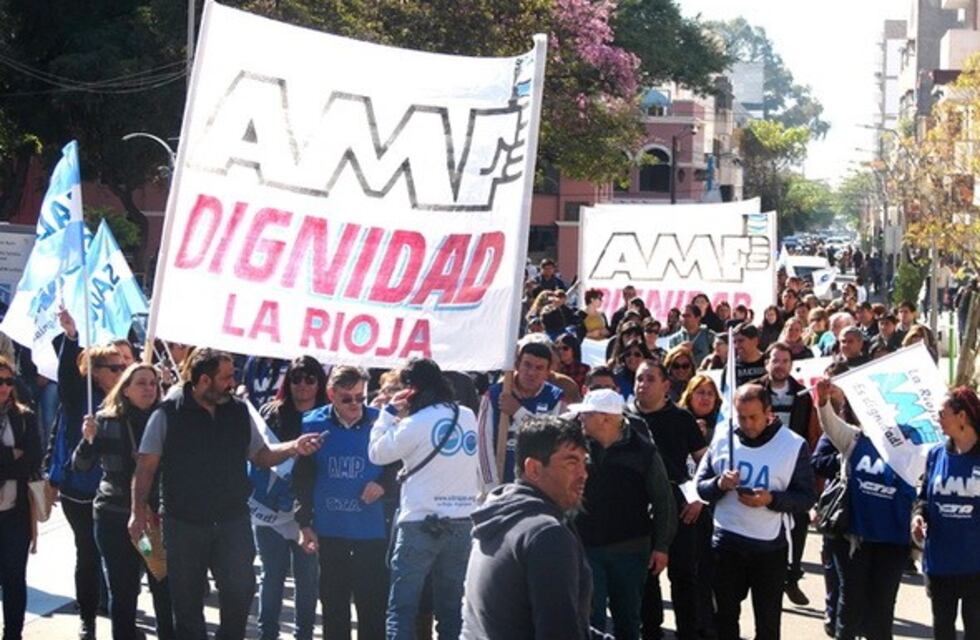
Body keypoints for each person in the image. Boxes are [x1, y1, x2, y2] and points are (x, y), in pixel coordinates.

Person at [130, 348, 322, 640]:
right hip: (184, 523)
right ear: (204, 380)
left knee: (241, 590)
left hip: (232, 521)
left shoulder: (238, 411)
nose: (233, 382)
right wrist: (137, 511)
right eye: (227, 377)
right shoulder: (167, 415)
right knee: (186, 601)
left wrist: (294, 446)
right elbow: (145, 467)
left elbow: (261, 455)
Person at [369, 358, 482, 640]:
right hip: (460, 521)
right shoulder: (466, 415)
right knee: (450, 610)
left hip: (419, 522)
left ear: (411, 389)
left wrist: (387, 413)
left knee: (401, 609)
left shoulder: (414, 424)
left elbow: (376, 453)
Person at [460, 416, 600, 640]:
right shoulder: (545, 534)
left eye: (585, 463)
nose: (583, 474)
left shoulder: (499, 514)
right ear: (533, 468)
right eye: (571, 463)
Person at [695, 384, 816, 640]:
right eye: (741, 417)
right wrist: (719, 484)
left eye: (753, 417)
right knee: (724, 619)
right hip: (726, 544)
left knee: (768, 623)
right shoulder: (722, 438)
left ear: (769, 413)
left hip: (768, 549)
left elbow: (806, 498)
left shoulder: (793, 445)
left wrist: (772, 499)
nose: (747, 424)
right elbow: (701, 488)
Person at [72, 363, 174, 640]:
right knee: (124, 590)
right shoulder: (107, 421)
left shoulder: (167, 419)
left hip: (156, 518)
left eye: (153, 383)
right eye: (141, 383)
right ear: (125, 389)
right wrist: (87, 440)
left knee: (164, 586)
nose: (148, 389)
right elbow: (80, 466)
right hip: (114, 517)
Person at [295, 365, 394, 640]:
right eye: (347, 398)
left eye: (360, 398)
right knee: (334, 608)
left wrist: (383, 484)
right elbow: (302, 478)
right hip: (331, 529)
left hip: (371, 530)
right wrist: (303, 523)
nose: (355, 405)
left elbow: (399, 466)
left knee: (372, 608)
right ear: (331, 394)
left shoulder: (380, 421)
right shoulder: (312, 423)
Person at [813, 377, 914, 640]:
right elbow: (831, 425)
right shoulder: (856, 439)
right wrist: (823, 402)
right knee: (851, 602)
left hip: (893, 541)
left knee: (882, 609)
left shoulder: (914, 448)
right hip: (855, 538)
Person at [571, 389, 676, 640]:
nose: (580, 420)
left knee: (628, 620)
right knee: (589, 619)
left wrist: (662, 546)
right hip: (586, 548)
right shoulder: (575, 447)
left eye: (586, 414)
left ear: (605, 419)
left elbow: (664, 501)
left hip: (631, 551)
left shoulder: (645, 451)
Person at [52, 310, 121, 640]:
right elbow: (66, 376)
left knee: (126, 560)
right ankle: (88, 620)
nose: (122, 372)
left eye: (123, 367)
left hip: (120, 492)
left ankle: (123, 621)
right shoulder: (78, 396)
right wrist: (71, 337)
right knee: (89, 554)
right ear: (95, 373)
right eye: (114, 368)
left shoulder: (127, 398)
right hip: (80, 492)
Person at [249, 356, 325, 640]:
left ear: (320, 382)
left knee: (307, 580)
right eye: (296, 378)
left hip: (310, 511)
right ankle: (267, 634)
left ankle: (303, 635)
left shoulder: (327, 415)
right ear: (287, 382)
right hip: (270, 507)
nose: (302, 385)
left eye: (310, 379)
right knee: (271, 576)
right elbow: (257, 454)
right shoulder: (271, 412)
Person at [629, 362, 706, 640]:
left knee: (683, 574)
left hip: (679, 504)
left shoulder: (682, 419)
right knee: (646, 577)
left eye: (650, 379)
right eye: (639, 378)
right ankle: (651, 631)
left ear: (666, 385)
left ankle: (688, 632)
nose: (643, 384)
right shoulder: (625, 419)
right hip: (637, 506)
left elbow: (703, 463)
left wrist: (698, 498)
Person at [913, 387, 980, 640]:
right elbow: (924, 499)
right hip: (941, 562)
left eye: (942, 413)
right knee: (942, 630)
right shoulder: (936, 455)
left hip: (976, 564)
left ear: (962, 417)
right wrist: (919, 517)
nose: (937, 418)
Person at [752, 343, 814, 607]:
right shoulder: (755, 391)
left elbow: (809, 430)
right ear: (767, 362)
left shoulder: (801, 394)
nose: (780, 365)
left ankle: (792, 576)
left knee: (798, 521)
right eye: (775, 360)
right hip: (761, 459)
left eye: (785, 360)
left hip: (792, 461)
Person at [478, 339, 564, 488]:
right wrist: (491, 487)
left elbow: (550, 441)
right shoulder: (495, 394)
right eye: (527, 365)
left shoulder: (554, 398)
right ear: (517, 365)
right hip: (499, 485)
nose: (531, 373)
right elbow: (482, 444)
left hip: (536, 488)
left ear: (548, 372)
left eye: (539, 368)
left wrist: (518, 412)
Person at [0, 356, 41, 640]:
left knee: (14, 578)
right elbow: (19, 461)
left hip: (15, 512)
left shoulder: (25, 417)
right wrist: (9, 457)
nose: (4, 387)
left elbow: (32, 462)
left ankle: (13, 634)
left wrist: (12, 464)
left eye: (8, 381)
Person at [729, 323, 766, 389]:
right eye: (734, 342)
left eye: (741, 341)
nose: (736, 346)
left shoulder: (768, 362)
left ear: (755, 341)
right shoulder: (731, 367)